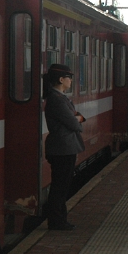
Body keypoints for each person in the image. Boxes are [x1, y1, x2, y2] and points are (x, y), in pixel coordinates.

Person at [43, 63, 85, 231]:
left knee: (61, 185)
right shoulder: (57, 100)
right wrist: (78, 120)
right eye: (69, 78)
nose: (71, 81)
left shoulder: (60, 98)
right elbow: (75, 122)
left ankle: (59, 219)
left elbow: (76, 118)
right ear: (61, 79)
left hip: (63, 148)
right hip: (62, 149)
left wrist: (77, 119)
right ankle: (56, 221)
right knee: (60, 186)